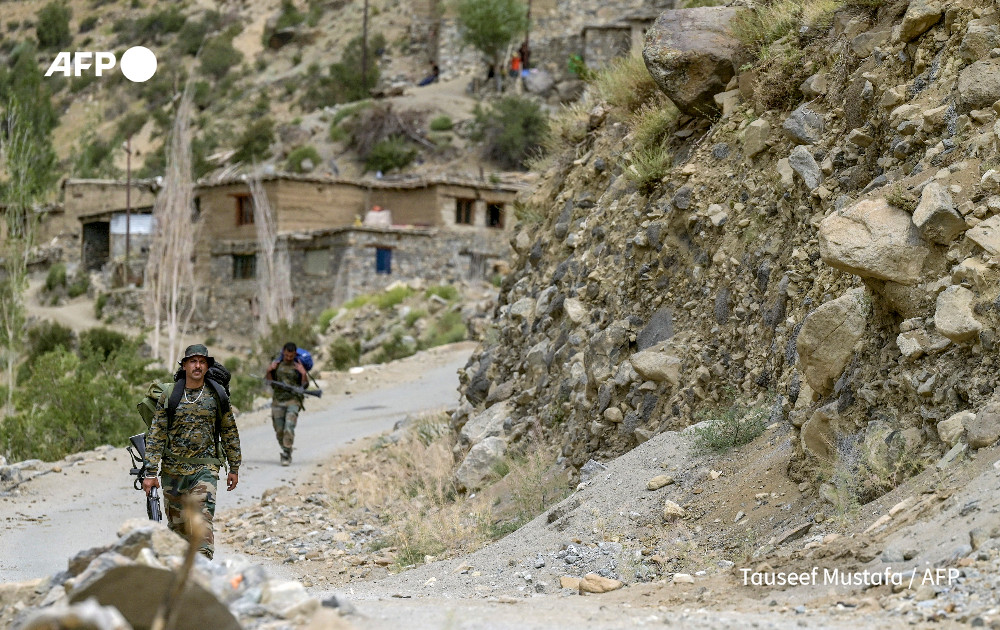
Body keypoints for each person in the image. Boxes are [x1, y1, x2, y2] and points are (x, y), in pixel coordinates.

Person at [142, 344, 241, 559]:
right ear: (185, 365)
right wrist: (150, 472)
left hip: (205, 469)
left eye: (202, 362)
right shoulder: (170, 395)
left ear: (207, 366)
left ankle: (203, 573)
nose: (197, 366)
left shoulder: (217, 395)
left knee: (202, 522)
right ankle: (181, 580)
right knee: (178, 532)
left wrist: (234, 466)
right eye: (193, 361)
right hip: (172, 472)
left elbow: (229, 431)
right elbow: (156, 434)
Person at [266, 342, 308, 466]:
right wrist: (269, 371)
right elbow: (269, 382)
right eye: (286, 355)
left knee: (289, 426)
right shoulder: (277, 365)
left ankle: (286, 454)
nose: (288, 358)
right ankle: (286, 450)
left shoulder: (298, 366)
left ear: (295, 354)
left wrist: (303, 374)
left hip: (293, 401)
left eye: (291, 356)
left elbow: (305, 386)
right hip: (278, 401)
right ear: (283, 353)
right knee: (279, 430)